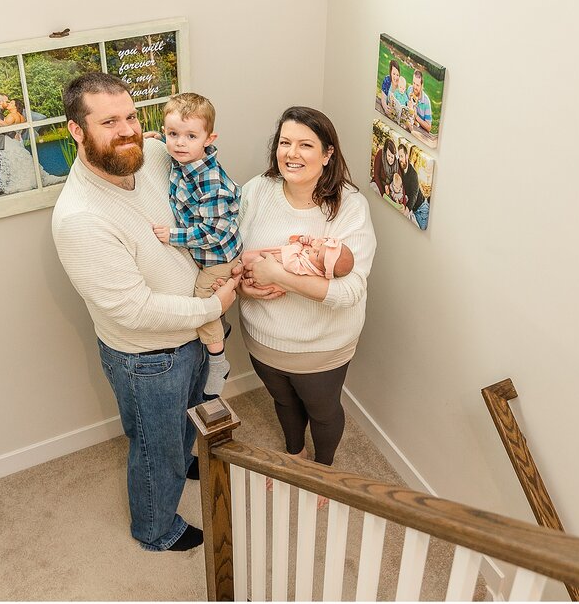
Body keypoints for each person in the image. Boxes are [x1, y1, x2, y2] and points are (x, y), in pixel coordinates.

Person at [51, 73, 238, 553]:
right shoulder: (80, 219)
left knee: (185, 420)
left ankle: (184, 456)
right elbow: (134, 310)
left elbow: (200, 174)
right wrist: (211, 306)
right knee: (154, 452)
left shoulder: (155, 154)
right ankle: (156, 529)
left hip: (194, 331)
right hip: (150, 358)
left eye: (131, 116)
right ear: (77, 131)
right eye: (109, 121)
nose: (128, 130)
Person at [236, 106, 376, 475]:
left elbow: (348, 293)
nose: (291, 153)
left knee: (323, 412)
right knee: (282, 401)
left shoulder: (350, 207)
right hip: (263, 336)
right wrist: (247, 289)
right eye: (285, 143)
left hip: (321, 345)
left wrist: (278, 276)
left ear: (328, 154)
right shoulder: (257, 191)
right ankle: (295, 454)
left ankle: (323, 470)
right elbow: (232, 256)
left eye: (305, 145)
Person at [152, 93, 241, 399]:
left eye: (190, 136)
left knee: (204, 301)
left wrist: (172, 236)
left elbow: (212, 233)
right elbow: (169, 148)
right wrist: (153, 140)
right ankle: (220, 329)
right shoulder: (183, 159)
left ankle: (218, 361)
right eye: (172, 134)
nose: (179, 143)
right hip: (206, 253)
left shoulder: (209, 182)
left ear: (209, 138)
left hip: (218, 255)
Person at [242, 234, 354, 279]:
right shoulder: (314, 253)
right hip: (269, 261)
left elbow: (289, 262)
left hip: (269, 267)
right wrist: (302, 239)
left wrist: (298, 245)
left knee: (252, 264)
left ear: (322, 270)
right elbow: (291, 240)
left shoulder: (307, 268)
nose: (314, 248)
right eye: (320, 245)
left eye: (317, 254)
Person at [0, 98, 36, 194]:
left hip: (10, 142)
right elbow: (23, 130)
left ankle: (20, 183)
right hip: (18, 141)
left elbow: (5, 125)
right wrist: (17, 133)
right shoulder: (22, 117)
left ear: (15, 106)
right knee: (19, 162)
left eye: (11, 103)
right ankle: (27, 181)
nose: (9, 104)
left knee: (13, 162)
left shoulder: (12, 115)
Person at [399, 143, 430, 230]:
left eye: (402, 156)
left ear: (406, 156)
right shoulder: (400, 167)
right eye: (399, 156)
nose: (400, 159)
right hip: (412, 208)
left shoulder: (413, 174)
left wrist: (406, 211)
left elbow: (414, 195)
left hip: (421, 209)